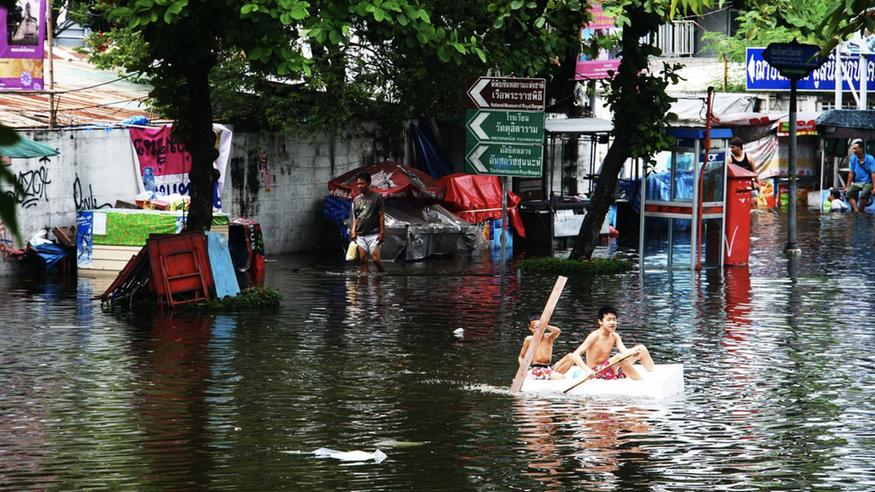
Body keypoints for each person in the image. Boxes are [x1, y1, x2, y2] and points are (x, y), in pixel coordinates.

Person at [552, 306, 654, 380]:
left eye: (614, 320)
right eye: (608, 320)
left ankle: (653, 374)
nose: (612, 323)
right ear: (601, 322)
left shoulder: (615, 336)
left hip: (610, 369)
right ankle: (640, 382)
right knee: (618, 357)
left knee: (641, 348)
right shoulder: (594, 336)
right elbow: (575, 355)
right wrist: (588, 371)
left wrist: (633, 353)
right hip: (597, 372)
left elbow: (624, 351)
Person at [350, 171, 386, 273]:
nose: (359, 186)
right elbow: (355, 217)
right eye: (358, 184)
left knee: (376, 259)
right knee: (363, 260)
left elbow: (381, 216)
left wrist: (382, 233)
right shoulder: (356, 200)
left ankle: (383, 276)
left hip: (374, 234)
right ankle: (363, 285)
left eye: (362, 183)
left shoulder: (377, 197)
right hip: (360, 235)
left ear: (368, 183)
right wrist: (353, 230)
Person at [517, 314, 564, 380]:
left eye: (537, 327)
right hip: (536, 368)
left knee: (570, 357)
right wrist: (523, 368)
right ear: (530, 328)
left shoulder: (548, 337)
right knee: (561, 377)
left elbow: (558, 331)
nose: (535, 329)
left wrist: (545, 325)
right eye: (533, 327)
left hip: (548, 367)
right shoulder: (529, 339)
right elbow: (521, 357)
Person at [845, 140, 875, 212]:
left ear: (861, 149)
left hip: (868, 183)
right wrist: (847, 186)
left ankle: (861, 211)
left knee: (864, 194)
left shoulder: (870, 158)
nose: (854, 150)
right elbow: (851, 173)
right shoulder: (853, 158)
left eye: (855, 149)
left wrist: (874, 187)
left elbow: (873, 174)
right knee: (848, 193)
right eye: (853, 148)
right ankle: (856, 211)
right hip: (857, 182)